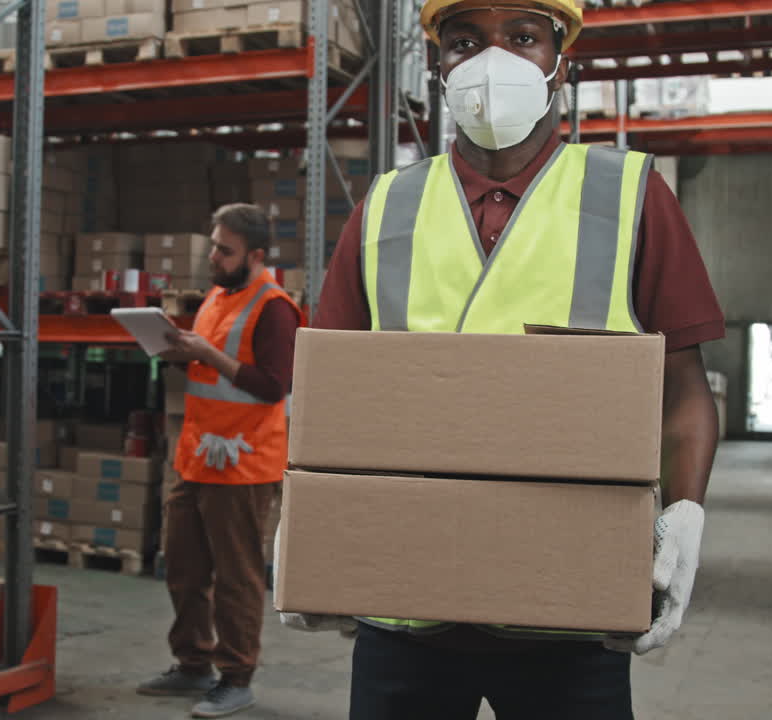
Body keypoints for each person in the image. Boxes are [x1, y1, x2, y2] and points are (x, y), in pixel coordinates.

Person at [285, 2, 725, 718]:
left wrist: (685, 514)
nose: (493, 60)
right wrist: (307, 516)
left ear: (560, 64)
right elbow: (328, 389)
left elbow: (684, 386)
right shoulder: (387, 204)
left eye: (522, 37)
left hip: (569, 611)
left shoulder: (630, 195)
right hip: (405, 610)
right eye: (465, 42)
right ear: (439, 69)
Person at [138, 203, 302, 718]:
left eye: (223, 249)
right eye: (213, 244)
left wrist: (206, 354)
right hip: (197, 456)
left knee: (237, 578)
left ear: (254, 255)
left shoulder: (274, 307)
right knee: (184, 568)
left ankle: (236, 677)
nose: (213, 255)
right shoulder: (217, 295)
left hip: (245, 465)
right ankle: (192, 665)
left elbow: (275, 386)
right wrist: (176, 349)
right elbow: (209, 360)